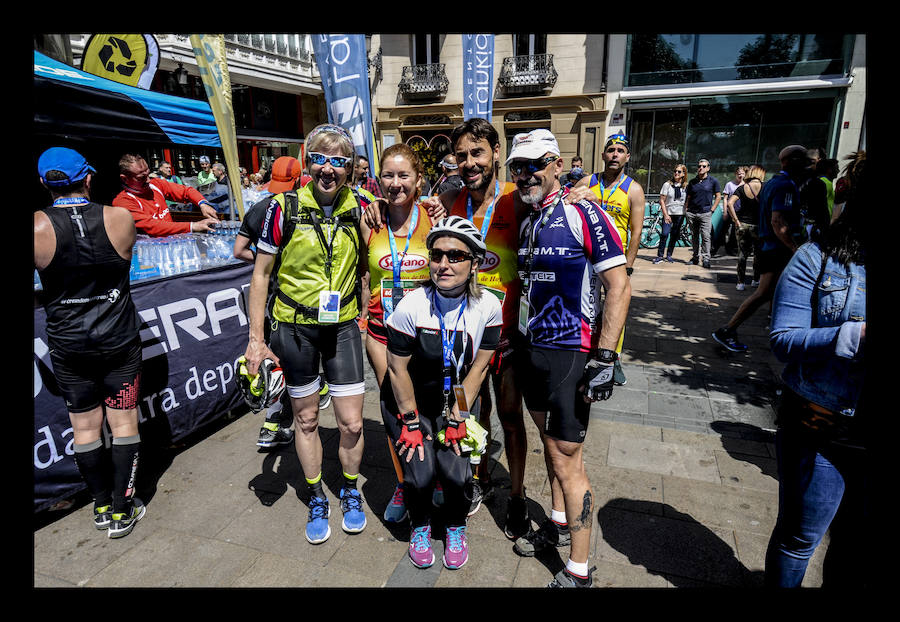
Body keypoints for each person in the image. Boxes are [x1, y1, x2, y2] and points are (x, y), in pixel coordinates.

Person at [242, 124, 375, 545]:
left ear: (351, 168)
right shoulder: (281, 209)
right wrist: (256, 341)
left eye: (339, 161)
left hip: (343, 327)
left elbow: (380, 257)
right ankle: (317, 494)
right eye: (320, 158)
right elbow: (260, 275)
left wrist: (368, 310)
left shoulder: (362, 206)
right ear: (307, 160)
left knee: (352, 423)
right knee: (306, 417)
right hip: (295, 327)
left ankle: (349, 490)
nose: (329, 169)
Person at [510, 129, 631, 587]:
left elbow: (619, 285)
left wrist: (604, 355)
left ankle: (578, 572)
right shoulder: (528, 217)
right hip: (531, 349)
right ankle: (559, 527)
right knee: (549, 444)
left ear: (557, 164)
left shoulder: (585, 211)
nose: (526, 174)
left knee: (567, 459)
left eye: (535, 164)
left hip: (571, 354)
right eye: (517, 167)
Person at [763, 162, 867, 588]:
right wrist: (853, 335)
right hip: (822, 422)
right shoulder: (816, 256)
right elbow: (783, 338)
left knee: (856, 546)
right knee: (800, 537)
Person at [34, 148, 145, 538]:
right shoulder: (119, 217)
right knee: (124, 422)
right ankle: (122, 507)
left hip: (69, 344)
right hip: (117, 338)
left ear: (45, 184)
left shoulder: (36, 226)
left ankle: (101, 505)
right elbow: (124, 261)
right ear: (88, 178)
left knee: (85, 429)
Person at [381, 216, 502, 570]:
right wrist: (411, 421)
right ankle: (419, 526)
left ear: (474, 263)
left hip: (456, 402)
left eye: (455, 255)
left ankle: (455, 525)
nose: (444, 264)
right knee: (419, 472)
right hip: (410, 402)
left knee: (457, 473)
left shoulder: (489, 307)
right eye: (437, 255)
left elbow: (478, 368)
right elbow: (396, 369)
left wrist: (459, 416)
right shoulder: (412, 305)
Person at [434, 117, 530, 533]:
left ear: (495, 154)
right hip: (466, 335)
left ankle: (518, 497)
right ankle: (482, 478)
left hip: (507, 335)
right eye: (462, 156)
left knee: (511, 415)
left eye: (477, 153)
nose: (469, 163)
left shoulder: (518, 198)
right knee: (474, 411)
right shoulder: (454, 204)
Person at [358, 143, 434, 524]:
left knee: (429, 407)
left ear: (418, 180)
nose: (395, 182)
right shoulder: (369, 220)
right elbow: (363, 273)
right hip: (381, 331)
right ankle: (404, 483)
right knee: (393, 411)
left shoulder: (434, 218)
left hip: (426, 334)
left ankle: (433, 479)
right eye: (388, 175)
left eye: (404, 175)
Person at [233, 156, 332, 448]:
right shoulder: (299, 205)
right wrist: (279, 264)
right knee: (291, 360)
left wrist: (268, 262)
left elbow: (239, 250)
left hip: (276, 298)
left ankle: (275, 423)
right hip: (293, 298)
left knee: (284, 357)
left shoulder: (259, 206)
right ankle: (273, 424)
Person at [712, 145, 811, 353]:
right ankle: (728, 330)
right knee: (764, 293)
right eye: (804, 161)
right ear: (793, 162)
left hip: (770, 246)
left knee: (773, 292)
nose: (807, 166)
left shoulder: (774, 183)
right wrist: (796, 248)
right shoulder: (784, 185)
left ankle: (775, 333)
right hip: (777, 248)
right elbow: (777, 221)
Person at [567, 133, 645, 387]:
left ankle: (613, 357)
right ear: (603, 155)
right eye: (610, 150)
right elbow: (569, 204)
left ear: (627, 157)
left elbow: (636, 232)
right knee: (589, 306)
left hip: (616, 260)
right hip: (589, 258)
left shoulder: (634, 189)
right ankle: (587, 347)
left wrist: (629, 266)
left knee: (617, 305)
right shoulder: (589, 181)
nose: (615, 154)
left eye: (620, 151)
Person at [113, 153, 219, 237]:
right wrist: (193, 226)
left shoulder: (156, 184)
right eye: (141, 177)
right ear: (125, 178)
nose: (148, 180)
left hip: (171, 244)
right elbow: (153, 226)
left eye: (148, 173)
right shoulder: (123, 202)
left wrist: (203, 203)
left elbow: (186, 191)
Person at [726, 165, 766, 291]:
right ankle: (755, 280)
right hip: (759, 226)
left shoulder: (742, 188)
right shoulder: (765, 187)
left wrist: (736, 220)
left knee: (742, 254)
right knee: (759, 254)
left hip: (743, 224)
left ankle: (740, 283)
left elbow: (729, 203)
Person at [684, 158, 722, 269]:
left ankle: (706, 259)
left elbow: (718, 196)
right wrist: (686, 210)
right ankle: (695, 258)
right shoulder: (692, 182)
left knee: (706, 236)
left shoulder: (713, 181)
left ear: (708, 168)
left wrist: (712, 209)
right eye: (699, 166)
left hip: (705, 213)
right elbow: (689, 197)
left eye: (704, 166)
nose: (701, 168)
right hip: (692, 213)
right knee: (694, 236)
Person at [654, 164, 688, 263]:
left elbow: (687, 200)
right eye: (675, 171)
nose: (676, 173)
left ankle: (669, 255)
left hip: (680, 214)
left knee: (674, 235)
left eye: (679, 171)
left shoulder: (686, 186)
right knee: (664, 234)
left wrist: (686, 211)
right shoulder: (667, 185)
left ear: (683, 174)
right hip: (668, 213)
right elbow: (662, 200)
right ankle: (660, 256)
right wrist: (665, 215)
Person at [716, 166, 746, 256]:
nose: (740, 175)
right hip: (730, 211)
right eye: (739, 173)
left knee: (734, 231)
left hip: (739, 212)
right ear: (735, 174)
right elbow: (725, 199)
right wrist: (725, 212)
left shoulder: (745, 184)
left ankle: (731, 248)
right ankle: (715, 248)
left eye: (742, 173)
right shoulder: (730, 184)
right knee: (723, 230)